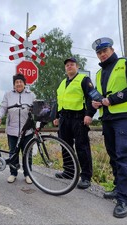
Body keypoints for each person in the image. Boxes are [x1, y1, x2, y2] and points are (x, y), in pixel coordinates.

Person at [91, 37, 127, 218]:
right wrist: (96, 103)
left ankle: (124, 199)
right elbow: (101, 95)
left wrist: (112, 100)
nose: (102, 54)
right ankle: (118, 187)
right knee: (113, 155)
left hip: (123, 117)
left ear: (112, 50)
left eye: (104, 51)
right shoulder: (98, 74)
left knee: (123, 154)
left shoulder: (126, 64)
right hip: (107, 118)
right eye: (99, 52)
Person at [53, 57, 96, 189]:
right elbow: (58, 101)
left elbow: (92, 97)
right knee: (65, 145)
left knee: (82, 146)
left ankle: (86, 177)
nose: (69, 67)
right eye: (67, 65)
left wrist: (89, 114)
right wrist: (55, 116)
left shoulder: (83, 79)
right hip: (64, 118)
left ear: (77, 67)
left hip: (79, 117)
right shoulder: (62, 83)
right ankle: (69, 171)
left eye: (72, 64)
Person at [0, 74, 36, 184]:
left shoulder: (31, 95)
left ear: (24, 83)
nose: (18, 84)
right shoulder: (8, 94)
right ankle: (13, 173)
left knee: (27, 153)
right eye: (16, 82)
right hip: (12, 129)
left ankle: (28, 174)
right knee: (13, 153)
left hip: (27, 130)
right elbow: (3, 107)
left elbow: (37, 109)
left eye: (20, 81)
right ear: (14, 84)